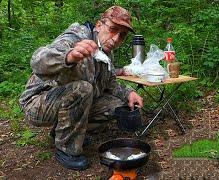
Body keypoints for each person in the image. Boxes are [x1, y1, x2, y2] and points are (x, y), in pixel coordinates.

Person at [19, 6, 143, 171]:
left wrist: (129, 93)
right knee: (83, 89)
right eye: (113, 29)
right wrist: (68, 56)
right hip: (38, 101)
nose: (116, 38)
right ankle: (67, 149)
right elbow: (38, 61)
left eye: (122, 35)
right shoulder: (77, 36)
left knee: (117, 104)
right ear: (99, 25)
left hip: (65, 101)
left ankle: (63, 132)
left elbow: (110, 81)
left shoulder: (105, 52)